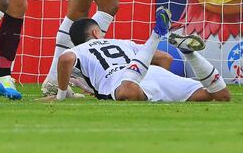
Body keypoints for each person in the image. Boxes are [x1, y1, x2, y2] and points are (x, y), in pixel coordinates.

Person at [48, 7, 230, 103]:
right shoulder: (123, 43)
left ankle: (156, 34)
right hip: (150, 73)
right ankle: (190, 54)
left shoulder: (78, 50)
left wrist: (61, 95)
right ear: (96, 33)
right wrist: (158, 79)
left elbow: (66, 59)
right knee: (217, 96)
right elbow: (165, 58)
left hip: (123, 79)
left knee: (128, 92)